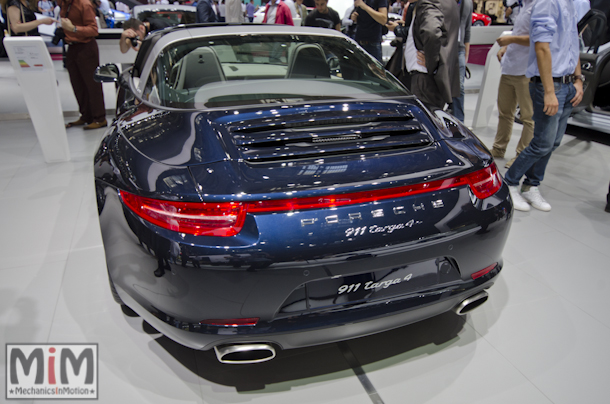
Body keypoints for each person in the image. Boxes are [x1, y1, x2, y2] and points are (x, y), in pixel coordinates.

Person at [504, 0, 583, 212]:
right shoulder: (547, 2)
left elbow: (572, 43)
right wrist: (549, 91)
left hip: (568, 84)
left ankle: (531, 185)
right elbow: (541, 46)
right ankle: (510, 183)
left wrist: (578, 79)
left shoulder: (570, 4)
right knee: (541, 143)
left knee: (553, 142)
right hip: (551, 84)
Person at [387, 0, 460, 110]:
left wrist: (432, 63)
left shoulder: (429, 3)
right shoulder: (450, 2)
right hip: (437, 77)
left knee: (423, 120)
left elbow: (431, 32)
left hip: (424, 79)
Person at [490, 0, 534, 169]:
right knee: (505, 112)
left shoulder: (539, 7)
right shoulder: (523, 7)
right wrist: (507, 47)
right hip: (509, 67)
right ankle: (498, 148)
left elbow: (538, 39)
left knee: (528, 117)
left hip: (526, 70)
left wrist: (511, 39)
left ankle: (521, 156)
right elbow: (520, 33)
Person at [58, 0, 107, 130]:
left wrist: (73, 29)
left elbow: (93, 29)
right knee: (77, 84)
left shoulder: (84, 4)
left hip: (86, 47)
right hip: (72, 46)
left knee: (92, 84)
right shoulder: (64, 4)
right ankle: (86, 115)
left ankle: (99, 118)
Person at [452, 0, 471, 123]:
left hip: (460, 50)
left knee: (459, 87)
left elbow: (467, 29)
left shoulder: (468, 3)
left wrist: (466, 53)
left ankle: (459, 122)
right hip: (444, 48)